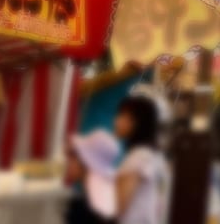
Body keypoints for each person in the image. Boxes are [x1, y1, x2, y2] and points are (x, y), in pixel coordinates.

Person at [113, 95, 170, 224]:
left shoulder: (139, 158)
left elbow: (119, 205)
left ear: (136, 122)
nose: (116, 120)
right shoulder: (155, 156)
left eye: (122, 115)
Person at [66, 128, 120, 224]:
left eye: (73, 154)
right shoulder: (108, 204)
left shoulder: (82, 209)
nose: (68, 161)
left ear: (85, 162)